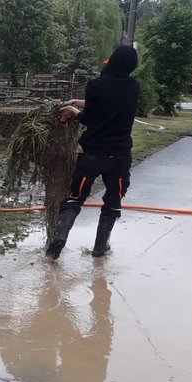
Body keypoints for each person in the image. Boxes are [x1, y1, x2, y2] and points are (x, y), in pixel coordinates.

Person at [46, 44, 140, 259]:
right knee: (113, 201)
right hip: (118, 158)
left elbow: (90, 116)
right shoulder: (134, 87)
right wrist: (79, 104)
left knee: (75, 198)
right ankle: (100, 248)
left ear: (113, 61)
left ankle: (60, 237)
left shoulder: (95, 85)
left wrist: (74, 110)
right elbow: (111, 105)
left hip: (91, 156)